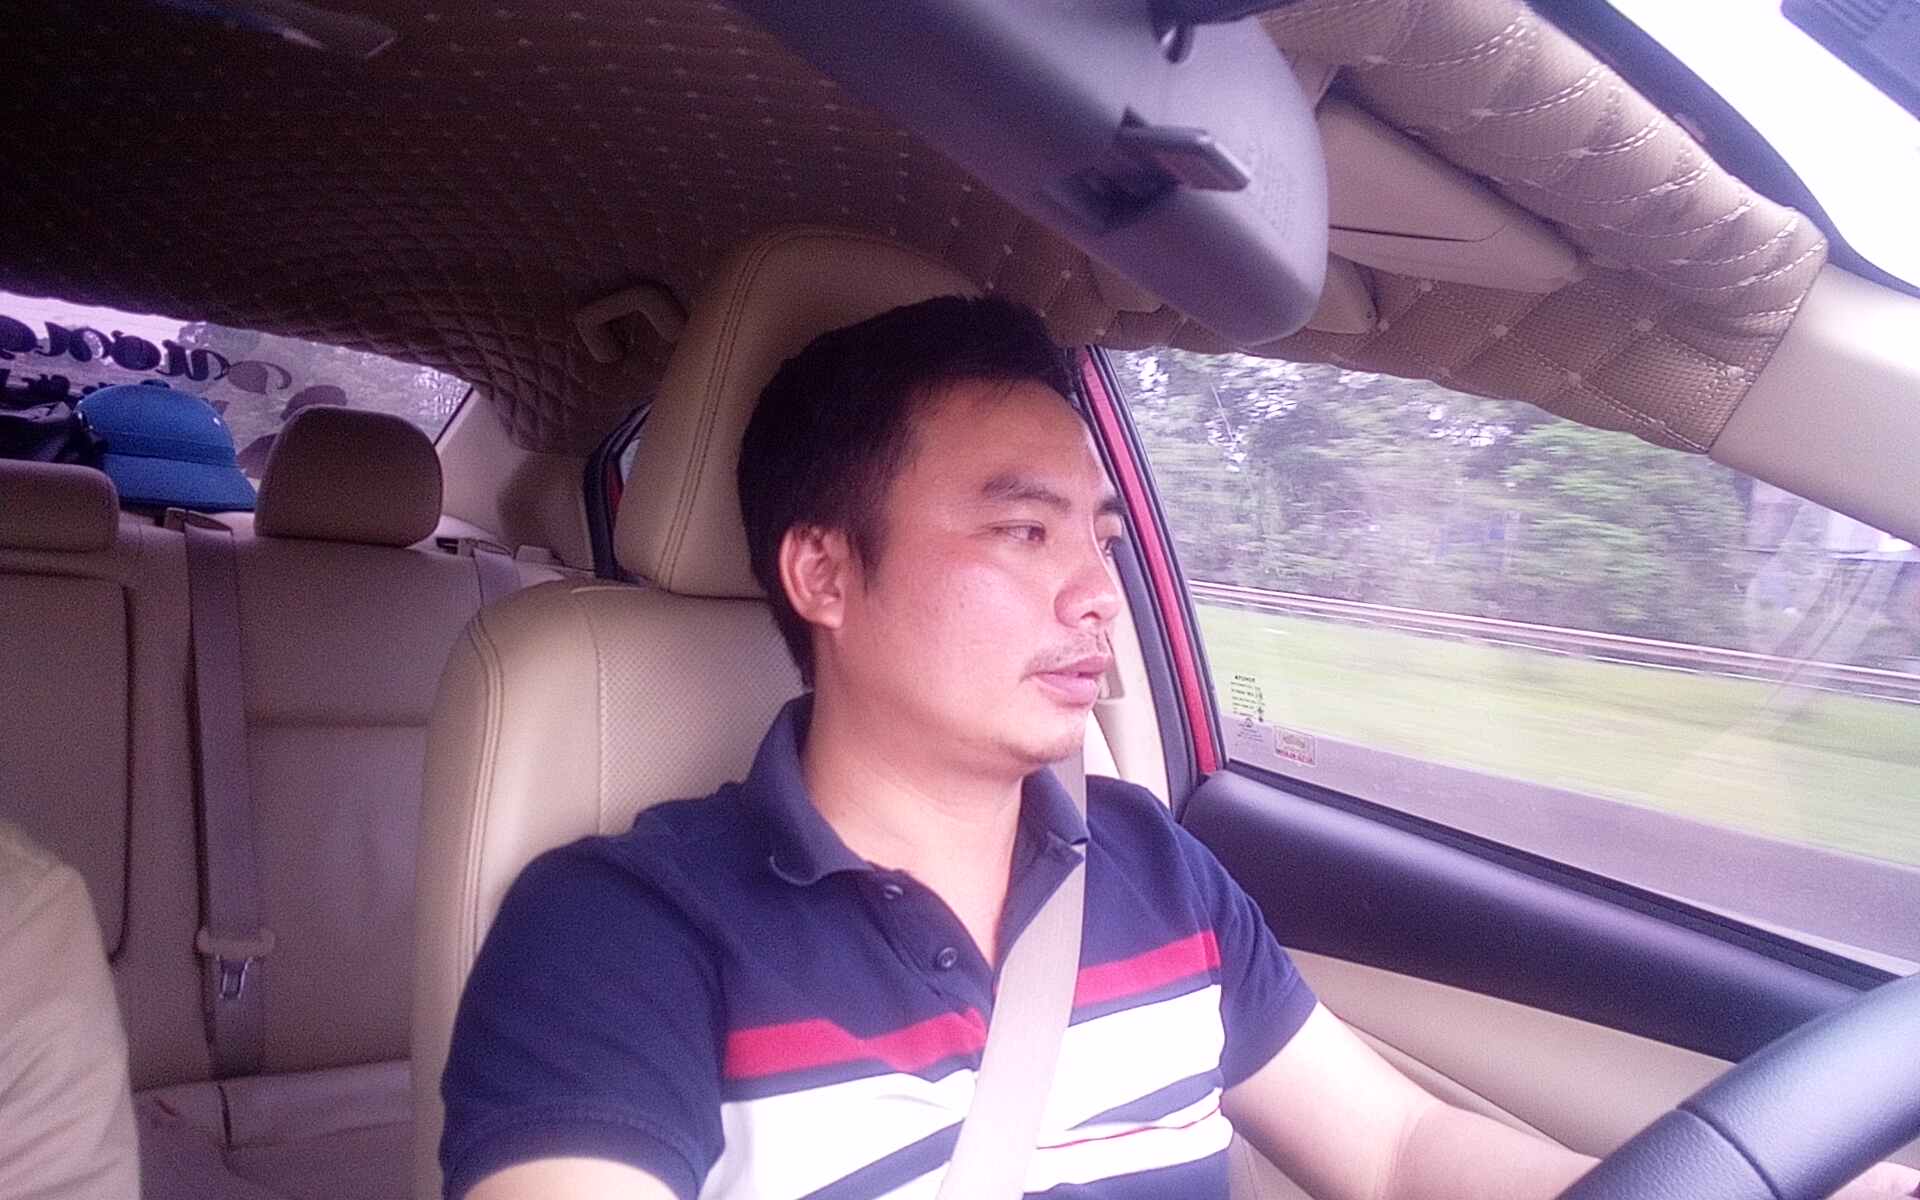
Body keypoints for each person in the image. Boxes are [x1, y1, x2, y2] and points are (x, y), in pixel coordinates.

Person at [439, 297, 1920, 1200]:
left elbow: (1396, 1153)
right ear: (824, 573)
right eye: (1023, 533)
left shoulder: (1151, 867)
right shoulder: (624, 930)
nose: (1100, 593)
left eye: (1099, 536)